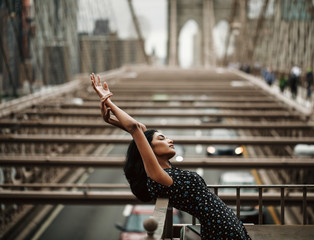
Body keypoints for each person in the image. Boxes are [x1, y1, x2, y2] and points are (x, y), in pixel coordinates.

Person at [90, 73, 252, 240]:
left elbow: (141, 130)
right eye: (162, 138)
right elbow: (135, 128)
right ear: (149, 149)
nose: (170, 139)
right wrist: (108, 100)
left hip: (228, 226)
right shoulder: (159, 177)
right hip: (223, 232)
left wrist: (111, 120)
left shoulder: (164, 173)